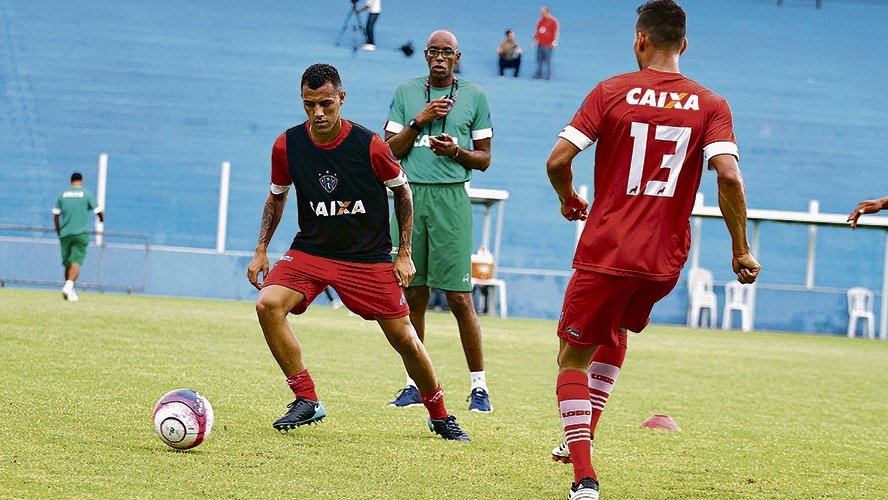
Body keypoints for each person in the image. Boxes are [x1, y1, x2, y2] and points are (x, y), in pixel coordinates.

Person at [544, 1, 761, 498]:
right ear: (684, 44)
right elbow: (729, 176)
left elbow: (557, 161)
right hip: (663, 261)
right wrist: (741, 250)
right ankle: (580, 436)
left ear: (640, 39)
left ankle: (584, 478)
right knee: (616, 329)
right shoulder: (712, 104)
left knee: (571, 360)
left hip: (607, 250)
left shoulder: (611, 91)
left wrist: (568, 197)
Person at [246, 63, 469, 442]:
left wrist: (404, 252)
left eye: (326, 104)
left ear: (342, 99)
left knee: (405, 339)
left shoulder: (370, 145)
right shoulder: (287, 145)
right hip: (312, 251)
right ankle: (306, 398)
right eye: (309, 104)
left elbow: (403, 192)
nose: (318, 113)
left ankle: (440, 414)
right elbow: (276, 196)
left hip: (367, 258)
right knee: (268, 304)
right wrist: (261, 248)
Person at [383, 30, 495, 413]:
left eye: (448, 52)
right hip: (409, 195)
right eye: (434, 52)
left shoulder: (475, 96)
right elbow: (388, 152)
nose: (440, 58)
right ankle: (415, 384)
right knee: (413, 293)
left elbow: (484, 158)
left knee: (459, 297)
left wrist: (456, 152)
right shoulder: (406, 92)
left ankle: (479, 388)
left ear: (457, 57)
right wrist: (421, 119)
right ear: (426, 55)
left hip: (451, 197)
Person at [52, 172, 104, 302]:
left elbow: (56, 215)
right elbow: (98, 211)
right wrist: (101, 219)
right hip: (80, 233)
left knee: (68, 263)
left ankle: (70, 290)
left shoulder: (63, 194)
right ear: (82, 181)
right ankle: (69, 285)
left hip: (65, 234)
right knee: (76, 261)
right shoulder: (86, 194)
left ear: (71, 181)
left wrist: (58, 229)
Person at [531, 6, 559, 80]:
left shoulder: (553, 21)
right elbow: (537, 31)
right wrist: (533, 40)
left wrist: (554, 41)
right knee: (539, 60)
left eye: (543, 12)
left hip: (548, 45)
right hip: (540, 44)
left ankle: (549, 75)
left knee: (548, 61)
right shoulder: (540, 21)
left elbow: (555, 32)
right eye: (541, 13)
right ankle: (539, 75)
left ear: (547, 12)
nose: (542, 14)